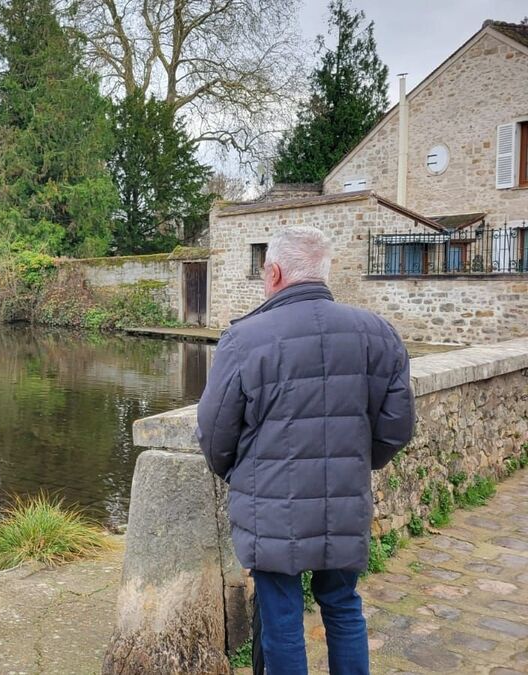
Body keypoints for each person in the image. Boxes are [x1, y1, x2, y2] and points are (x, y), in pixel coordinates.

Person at [196, 226, 415, 675]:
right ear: (322, 271)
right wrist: (353, 465)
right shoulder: (379, 334)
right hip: (344, 502)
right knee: (342, 605)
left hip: (272, 506)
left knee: (281, 617)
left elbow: (215, 432)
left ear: (273, 271)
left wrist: (237, 473)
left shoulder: (243, 341)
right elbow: (396, 428)